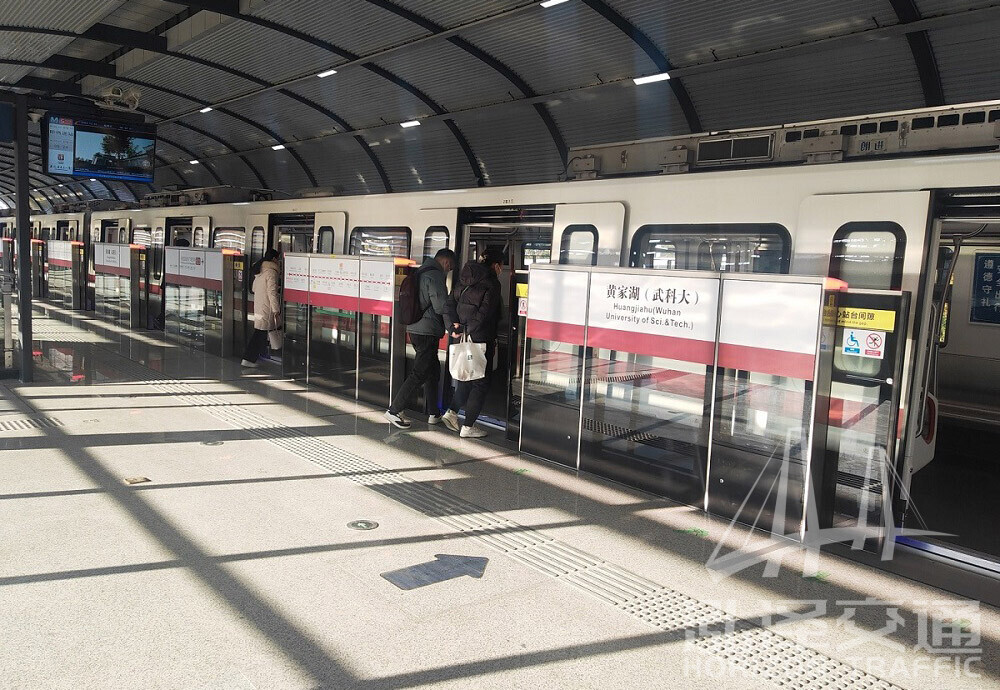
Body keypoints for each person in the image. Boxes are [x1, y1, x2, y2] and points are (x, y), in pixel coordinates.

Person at [384, 248, 457, 428]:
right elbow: (441, 307)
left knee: (432, 373)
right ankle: (394, 410)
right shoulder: (435, 275)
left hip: (416, 327)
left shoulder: (421, 271)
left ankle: (434, 413)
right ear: (446, 262)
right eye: (450, 267)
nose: (449, 270)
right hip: (427, 331)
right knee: (419, 373)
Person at [441, 248, 504, 438]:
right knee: (480, 383)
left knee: (467, 377)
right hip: (481, 338)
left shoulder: (464, 279)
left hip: (462, 336)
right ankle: (468, 426)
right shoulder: (492, 283)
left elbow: (448, 305)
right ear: (495, 265)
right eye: (501, 266)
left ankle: (452, 412)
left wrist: (454, 328)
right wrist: (469, 329)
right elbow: (484, 314)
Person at [241, 248, 281, 368]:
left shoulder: (260, 270)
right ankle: (248, 359)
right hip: (267, 308)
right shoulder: (271, 272)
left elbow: (253, 288)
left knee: (260, 333)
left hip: (259, 305)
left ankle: (254, 357)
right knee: (260, 334)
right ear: (274, 259)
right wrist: (276, 309)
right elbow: (272, 292)